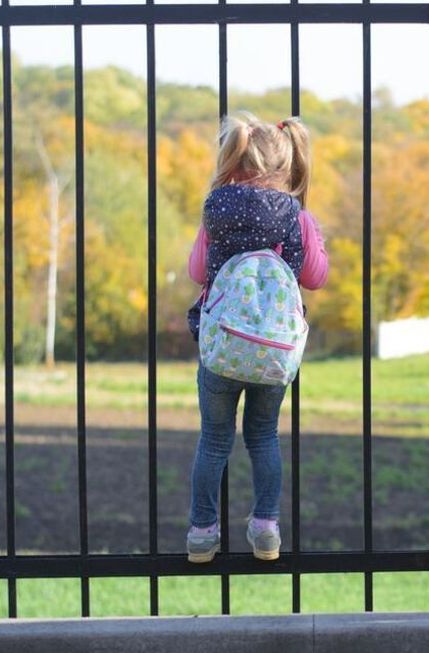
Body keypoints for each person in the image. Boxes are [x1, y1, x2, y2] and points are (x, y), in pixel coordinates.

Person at [184, 112, 328, 563]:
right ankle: (266, 529)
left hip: (222, 349)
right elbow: (315, 277)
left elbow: (194, 271)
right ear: (289, 164)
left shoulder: (216, 207)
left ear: (235, 155)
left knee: (214, 440)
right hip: (272, 354)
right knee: (263, 438)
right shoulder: (297, 216)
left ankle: (202, 534)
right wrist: (314, 237)